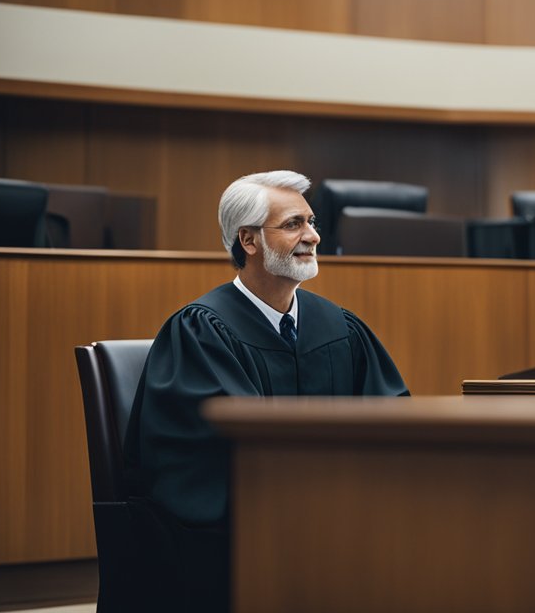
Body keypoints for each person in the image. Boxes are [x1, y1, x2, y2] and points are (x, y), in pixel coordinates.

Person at [123, 171, 408, 611]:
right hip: (239, 536)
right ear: (249, 240)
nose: (313, 236)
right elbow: (217, 449)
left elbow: (392, 413)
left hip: (328, 516)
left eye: (312, 222)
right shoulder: (201, 330)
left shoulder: (340, 327)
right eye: (294, 224)